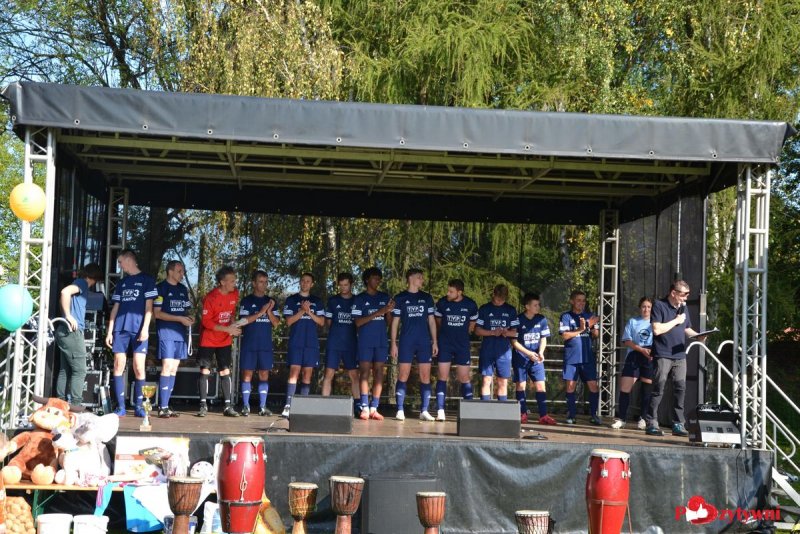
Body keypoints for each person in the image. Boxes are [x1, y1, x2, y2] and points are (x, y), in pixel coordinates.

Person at [646, 280, 705, 437]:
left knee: (680, 389)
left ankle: (678, 423)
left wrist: (699, 336)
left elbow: (687, 329)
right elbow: (657, 330)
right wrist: (676, 320)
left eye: (687, 295)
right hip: (662, 354)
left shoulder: (683, 308)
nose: (685, 298)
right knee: (659, 388)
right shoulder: (659, 305)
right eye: (683, 295)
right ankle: (652, 422)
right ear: (673, 293)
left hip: (679, 355)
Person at [105, 250, 157, 417]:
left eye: (120, 262)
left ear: (129, 260)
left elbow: (149, 307)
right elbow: (115, 308)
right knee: (118, 365)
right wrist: (110, 331)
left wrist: (145, 328)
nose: (120, 265)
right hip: (120, 328)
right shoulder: (122, 282)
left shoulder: (147, 280)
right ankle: (120, 406)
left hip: (139, 328)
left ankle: (139, 406)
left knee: (139, 367)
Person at [390, 268, 438, 421]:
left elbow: (432, 321)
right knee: (403, 374)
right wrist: (393, 343)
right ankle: (400, 409)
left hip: (424, 342)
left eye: (422, 278)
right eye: (419, 277)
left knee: (425, 376)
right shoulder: (400, 298)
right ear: (410, 278)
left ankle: (424, 410)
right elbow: (395, 323)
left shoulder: (427, 297)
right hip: (406, 341)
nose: (422, 280)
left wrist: (435, 342)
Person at [55, 262, 103, 406]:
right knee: (80, 370)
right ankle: (76, 404)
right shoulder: (82, 283)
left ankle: (60, 403)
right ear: (93, 277)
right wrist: (69, 316)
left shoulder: (78, 283)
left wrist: (66, 315)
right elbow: (65, 292)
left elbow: (63, 297)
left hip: (64, 330)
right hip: (72, 332)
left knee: (65, 370)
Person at [197, 265, 241, 417]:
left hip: (224, 340)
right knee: (205, 370)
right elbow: (206, 322)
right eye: (232, 281)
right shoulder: (211, 298)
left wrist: (234, 324)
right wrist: (227, 329)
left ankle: (227, 406)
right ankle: (203, 405)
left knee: (225, 370)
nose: (234, 283)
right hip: (208, 339)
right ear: (222, 282)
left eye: (235, 280)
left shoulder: (235, 293)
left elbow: (231, 313)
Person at [352, 267, 394, 421]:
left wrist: (388, 311)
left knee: (379, 373)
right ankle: (364, 407)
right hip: (365, 341)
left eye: (379, 278)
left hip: (381, 340)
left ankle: (374, 407)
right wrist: (379, 312)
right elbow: (357, 322)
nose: (378, 281)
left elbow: (388, 322)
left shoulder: (384, 297)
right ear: (367, 280)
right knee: (364, 372)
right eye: (375, 278)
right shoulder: (359, 298)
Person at [281, 272, 325, 418]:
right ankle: (288, 405)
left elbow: (321, 322)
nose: (305, 283)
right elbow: (288, 321)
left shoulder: (317, 301)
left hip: (311, 343)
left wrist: (309, 312)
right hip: (296, 341)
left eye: (308, 281)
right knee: (294, 372)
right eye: (303, 281)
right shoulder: (291, 300)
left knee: (307, 375)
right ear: (300, 282)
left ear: (312, 284)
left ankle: (302, 407)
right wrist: (302, 311)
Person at [153, 260, 194, 418]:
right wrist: (179, 319)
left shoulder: (183, 289)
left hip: (180, 334)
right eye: (179, 271)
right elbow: (157, 313)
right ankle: (162, 407)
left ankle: (166, 405)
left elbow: (186, 311)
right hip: (166, 332)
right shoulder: (160, 288)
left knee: (174, 369)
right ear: (170, 272)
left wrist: (189, 318)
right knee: (167, 366)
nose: (182, 274)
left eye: (183, 271)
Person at [434, 279, 478, 421]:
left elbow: (472, 323)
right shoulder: (442, 303)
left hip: (462, 345)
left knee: (464, 377)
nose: (448, 293)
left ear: (459, 292)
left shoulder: (470, 304)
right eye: (448, 290)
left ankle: (469, 411)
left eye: (451, 291)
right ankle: (440, 410)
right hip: (445, 344)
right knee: (442, 376)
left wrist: (463, 333)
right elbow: (438, 321)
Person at [238, 270, 280, 416]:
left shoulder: (271, 302)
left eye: (266, 282)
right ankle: (246, 406)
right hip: (249, 343)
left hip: (265, 344)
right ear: (254, 283)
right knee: (247, 374)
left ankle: (262, 406)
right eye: (261, 282)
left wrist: (269, 312)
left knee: (264, 374)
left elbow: (276, 323)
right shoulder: (246, 301)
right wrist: (260, 313)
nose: (264, 285)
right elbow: (242, 321)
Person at [511, 292, 557, 425]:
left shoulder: (541, 319)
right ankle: (522, 414)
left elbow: (543, 338)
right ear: (527, 306)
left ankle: (543, 415)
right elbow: (514, 342)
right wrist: (528, 353)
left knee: (541, 386)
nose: (538, 307)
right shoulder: (518, 320)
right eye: (535, 305)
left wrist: (540, 352)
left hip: (536, 358)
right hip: (521, 357)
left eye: (538, 305)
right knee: (521, 385)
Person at [559, 290, 602, 425]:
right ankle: (571, 415)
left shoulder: (589, 315)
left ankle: (594, 415)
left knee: (593, 386)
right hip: (572, 358)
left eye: (583, 301)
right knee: (570, 386)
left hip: (587, 357)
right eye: (578, 300)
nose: (581, 303)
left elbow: (596, 335)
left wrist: (593, 327)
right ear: (572, 301)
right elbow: (565, 335)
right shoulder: (566, 316)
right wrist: (583, 327)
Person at [611, 297, 654, 430]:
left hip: (650, 355)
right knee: (625, 387)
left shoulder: (656, 322)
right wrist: (640, 349)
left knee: (647, 389)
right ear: (640, 308)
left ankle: (643, 418)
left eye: (649, 307)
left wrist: (650, 351)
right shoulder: (633, 321)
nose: (646, 309)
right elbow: (627, 340)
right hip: (634, 355)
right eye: (643, 306)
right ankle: (622, 419)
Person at [322, 273, 359, 416]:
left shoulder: (357, 300)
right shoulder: (333, 301)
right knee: (328, 373)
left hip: (351, 343)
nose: (343, 288)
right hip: (334, 343)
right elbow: (328, 322)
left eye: (346, 285)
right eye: (341, 285)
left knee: (354, 374)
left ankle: (358, 406)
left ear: (351, 285)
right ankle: (324, 406)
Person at [474, 284, 519, 402]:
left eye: (502, 299)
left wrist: (506, 332)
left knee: (502, 382)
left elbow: (515, 333)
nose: (500, 302)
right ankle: (484, 408)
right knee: (486, 380)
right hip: (487, 349)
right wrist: (493, 332)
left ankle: (502, 409)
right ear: (493, 295)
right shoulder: (484, 308)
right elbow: (477, 330)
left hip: (504, 351)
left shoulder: (511, 310)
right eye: (498, 299)